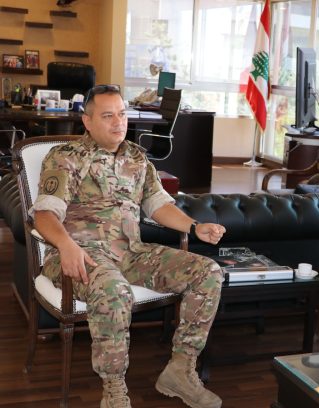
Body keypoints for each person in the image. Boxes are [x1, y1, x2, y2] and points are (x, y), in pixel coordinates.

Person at [30, 85, 225, 408]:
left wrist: (194, 226)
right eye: (108, 116)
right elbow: (44, 214)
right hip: (81, 254)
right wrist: (65, 245)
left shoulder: (136, 156)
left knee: (208, 272)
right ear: (87, 121)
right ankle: (113, 390)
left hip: (131, 253)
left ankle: (180, 370)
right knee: (114, 290)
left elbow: (158, 204)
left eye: (122, 114)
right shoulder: (66, 157)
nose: (118, 122)